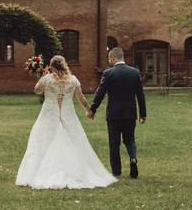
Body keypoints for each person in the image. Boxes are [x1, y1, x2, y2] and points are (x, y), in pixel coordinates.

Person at [15, 55, 117, 189]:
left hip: (49, 115)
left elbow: (36, 90)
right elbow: (81, 98)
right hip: (68, 115)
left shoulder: (47, 79)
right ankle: (75, 172)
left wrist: (43, 76)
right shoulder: (73, 80)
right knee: (73, 141)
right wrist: (89, 111)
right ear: (64, 65)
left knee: (43, 141)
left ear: (51, 66)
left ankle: (38, 172)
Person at [87, 46, 146, 178]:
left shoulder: (108, 73)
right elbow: (140, 95)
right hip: (130, 113)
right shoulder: (135, 72)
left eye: (109, 59)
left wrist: (92, 109)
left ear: (113, 58)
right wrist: (143, 114)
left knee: (114, 142)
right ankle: (133, 159)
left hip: (113, 114)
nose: (109, 61)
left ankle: (116, 171)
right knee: (130, 138)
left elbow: (100, 93)